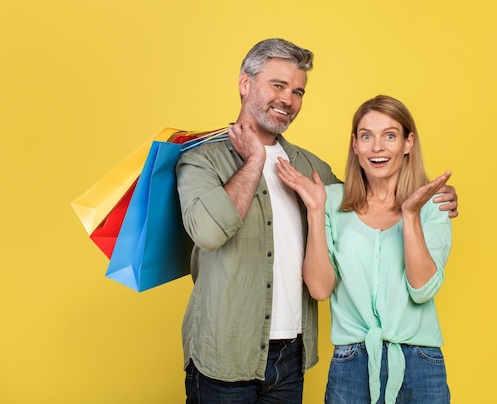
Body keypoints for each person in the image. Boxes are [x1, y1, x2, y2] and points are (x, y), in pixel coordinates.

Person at [176, 39, 459, 404]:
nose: (288, 100)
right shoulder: (202, 159)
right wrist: (253, 162)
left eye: (297, 91)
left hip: (290, 357)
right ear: (245, 84)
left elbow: (369, 198)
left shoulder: (311, 169)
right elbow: (210, 232)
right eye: (277, 86)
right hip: (223, 353)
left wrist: (433, 199)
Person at [275, 94, 453, 404]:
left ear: (408, 143)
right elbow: (319, 289)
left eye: (390, 135)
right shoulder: (330, 200)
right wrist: (316, 211)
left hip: (420, 363)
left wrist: (410, 216)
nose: (377, 147)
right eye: (367, 136)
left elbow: (422, 290)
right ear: (355, 144)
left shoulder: (432, 205)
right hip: (352, 364)